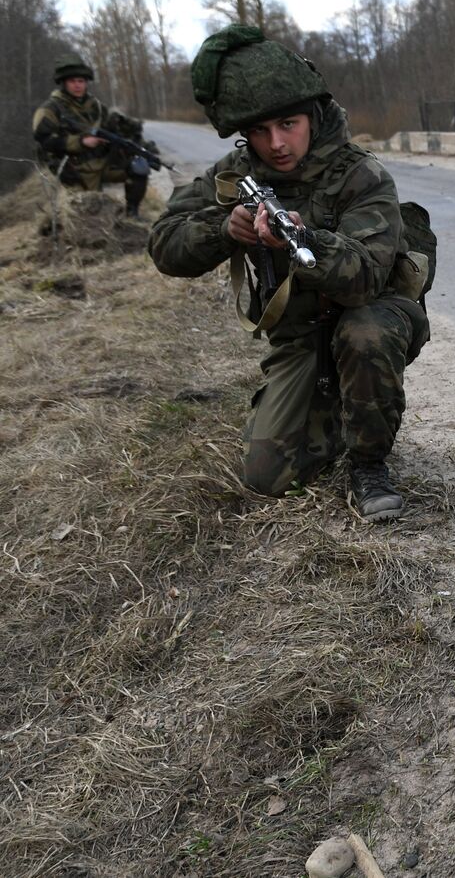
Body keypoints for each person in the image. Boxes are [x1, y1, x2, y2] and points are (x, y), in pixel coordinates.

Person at [149, 25, 429, 522]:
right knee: (267, 477)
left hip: (372, 319)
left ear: (313, 114)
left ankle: (369, 465)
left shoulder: (361, 175)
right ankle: (335, 413)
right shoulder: (238, 172)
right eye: (260, 131)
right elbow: (164, 245)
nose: (276, 143)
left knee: (364, 333)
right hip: (299, 337)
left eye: (288, 124)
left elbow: (366, 277)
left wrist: (306, 240)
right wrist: (225, 230)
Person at [32, 53, 151, 217]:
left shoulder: (96, 106)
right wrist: (81, 142)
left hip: (102, 163)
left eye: (81, 81)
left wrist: (137, 143)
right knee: (86, 215)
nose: (77, 85)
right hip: (74, 170)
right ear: (63, 83)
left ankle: (132, 214)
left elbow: (114, 130)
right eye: (72, 81)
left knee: (139, 168)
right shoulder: (50, 109)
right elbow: (44, 141)